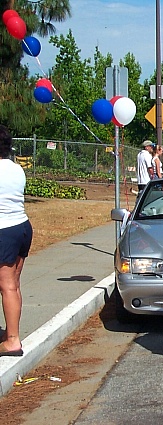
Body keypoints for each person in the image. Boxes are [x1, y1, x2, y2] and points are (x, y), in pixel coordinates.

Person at [0, 125, 33, 356]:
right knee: (13, 284)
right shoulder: (15, 168)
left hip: (5, 231)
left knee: (7, 286)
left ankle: (12, 340)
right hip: (22, 227)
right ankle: (11, 333)